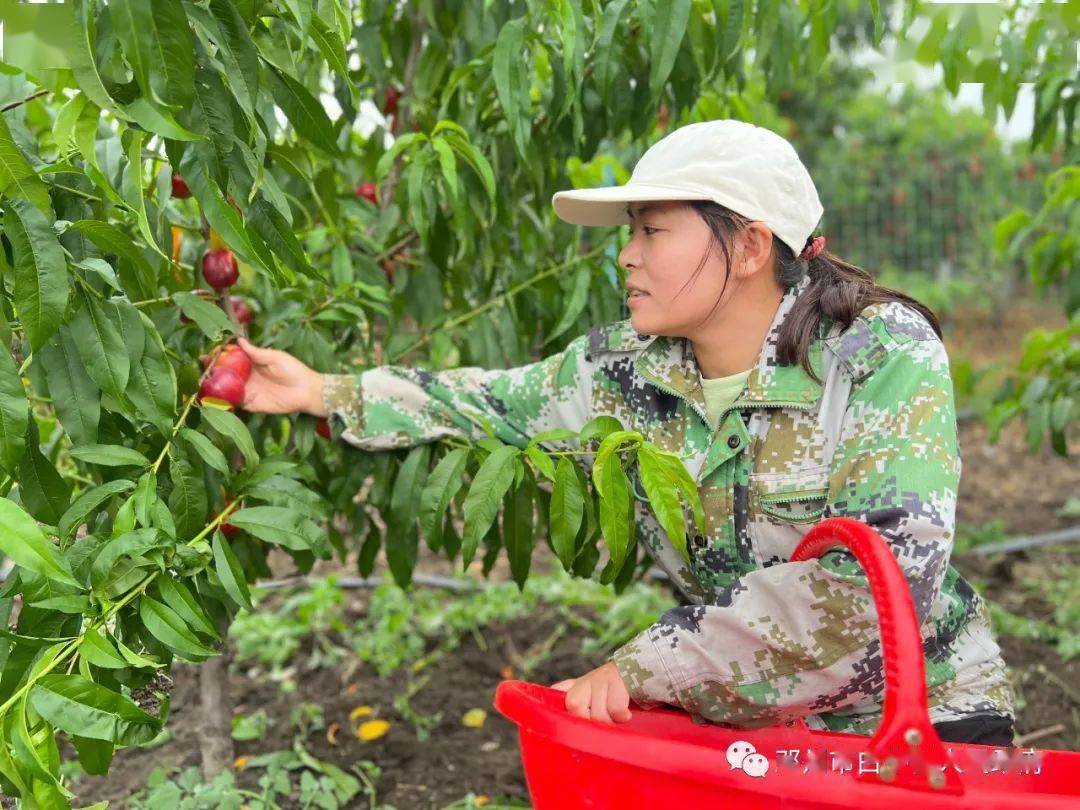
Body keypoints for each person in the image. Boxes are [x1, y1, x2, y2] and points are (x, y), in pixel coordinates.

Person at [237, 119, 1016, 747]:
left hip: (921, 724)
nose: (626, 255)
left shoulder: (876, 352)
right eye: (632, 232)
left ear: (747, 246)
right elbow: (489, 402)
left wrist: (654, 662)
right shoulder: (624, 371)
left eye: (652, 231)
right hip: (753, 727)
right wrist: (322, 391)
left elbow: (880, 585)